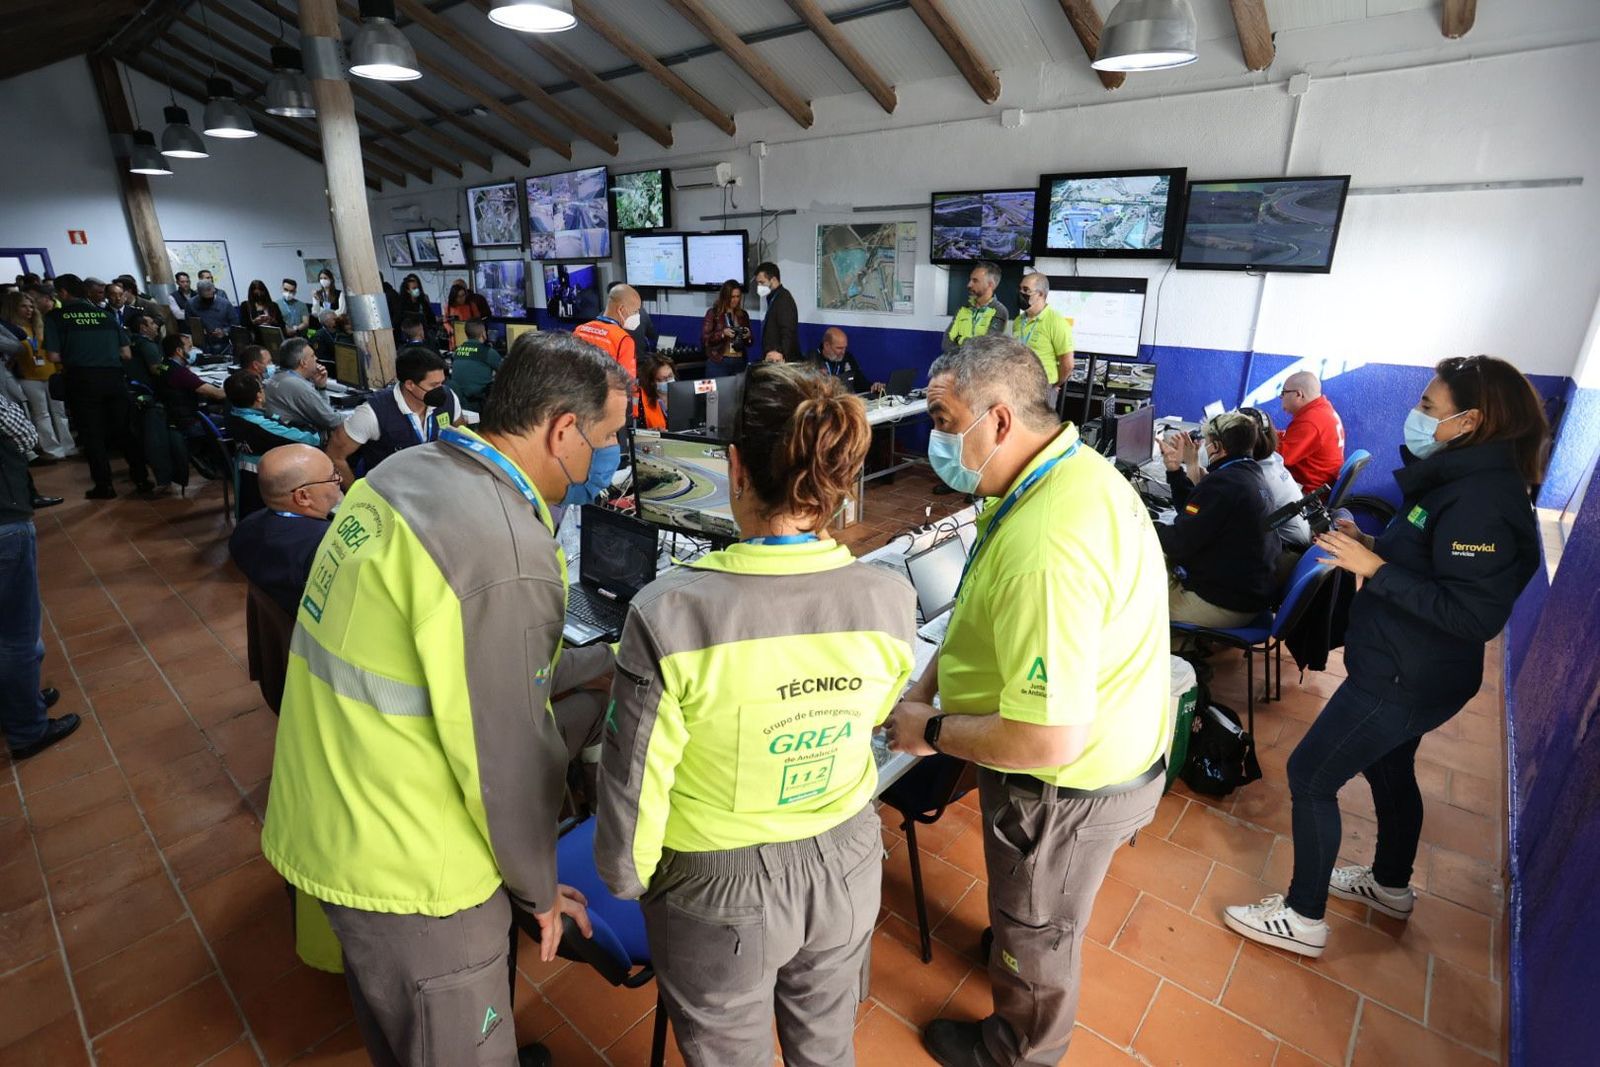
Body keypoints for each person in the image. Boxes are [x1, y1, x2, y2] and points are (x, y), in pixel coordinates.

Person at [261, 331, 631, 1067]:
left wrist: (599, 663)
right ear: (562, 430)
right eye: (608, 439)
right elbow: (509, 758)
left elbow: (449, 660)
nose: (609, 459)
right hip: (415, 868)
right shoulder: (505, 549)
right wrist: (541, 889)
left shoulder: (405, 474)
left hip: (335, 814)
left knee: (404, 1034)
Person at [596, 362, 916, 1067]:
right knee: (828, 1047)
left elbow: (634, 779)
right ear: (840, 479)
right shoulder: (889, 598)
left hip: (717, 887)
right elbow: (877, 712)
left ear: (734, 468)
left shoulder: (669, 610)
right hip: (850, 859)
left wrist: (626, 878)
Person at [887, 335, 1169, 1067]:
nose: (937, 438)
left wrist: (932, 727)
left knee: (1041, 934)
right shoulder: (1059, 473)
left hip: (1068, 783)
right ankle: (1023, 928)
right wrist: (927, 682)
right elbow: (980, 598)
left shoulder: (1049, 542)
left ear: (1001, 420)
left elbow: (1048, 741)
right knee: (1034, 912)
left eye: (946, 421)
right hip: (1115, 739)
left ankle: (1017, 1047)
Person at [1224, 355, 1546, 957]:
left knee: (1311, 775)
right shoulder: (1456, 477)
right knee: (1388, 768)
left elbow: (1474, 614)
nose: (1417, 415)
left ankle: (1303, 916)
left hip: (1407, 672)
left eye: (1430, 407)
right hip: (1404, 663)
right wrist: (1369, 545)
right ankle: (1390, 885)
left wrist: (1375, 569)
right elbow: (1430, 558)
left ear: (1470, 421)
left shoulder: (1482, 499)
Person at [0, 392, 78, 760]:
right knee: (16, 636)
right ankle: (27, 727)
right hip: (4, 524)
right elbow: (26, 435)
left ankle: (19, 701)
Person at [1157, 411, 1281, 628]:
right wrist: (1175, 472)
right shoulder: (1248, 473)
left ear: (1216, 448)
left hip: (1224, 604)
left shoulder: (1225, 484)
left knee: (1137, 600)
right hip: (1247, 595)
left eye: (1207, 442)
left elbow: (1179, 543)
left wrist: (1142, 523)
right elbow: (1198, 514)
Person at [42, 273, 148, 499]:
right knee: (125, 430)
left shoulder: (55, 317)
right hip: (113, 378)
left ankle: (104, 486)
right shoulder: (105, 315)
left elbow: (52, 355)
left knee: (92, 435)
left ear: (62, 293)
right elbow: (126, 353)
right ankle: (142, 479)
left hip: (81, 380)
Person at [228, 444, 343, 616]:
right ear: (303, 496)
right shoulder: (328, 546)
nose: (339, 480)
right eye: (332, 477)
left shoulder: (243, 529)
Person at [326, 346, 461, 487]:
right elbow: (335, 455)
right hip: (388, 493)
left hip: (432, 486)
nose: (441, 389)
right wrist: (356, 495)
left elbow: (460, 439)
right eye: (434, 385)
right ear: (410, 384)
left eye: (442, 383)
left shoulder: (449, 398)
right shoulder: (371, 413)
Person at [2, 290, 73, 460]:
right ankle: (52, 449)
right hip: (28, 377)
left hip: (51, 373)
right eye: (23, 306)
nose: (29, 310)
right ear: (13, 308)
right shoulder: (10, 330)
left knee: (60, 412)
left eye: (31, 306)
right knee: (41, 414)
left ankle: (68, 446)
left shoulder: (42, 325)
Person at [148, 323, 227, 434]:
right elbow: (218, 394)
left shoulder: (164, 365)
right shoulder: (180, 373)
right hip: (189, 423)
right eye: (190, 348)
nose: (193, 351)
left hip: (176, 417)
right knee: (235, 422)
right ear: (179, 351)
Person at [224, 370, 322, 459]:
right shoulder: (260, 425)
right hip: (268, 473)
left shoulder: (232, 413)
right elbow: (312, 440)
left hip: (246, 472)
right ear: (258, 396)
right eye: (262, 387)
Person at [1277, 370, 1346, 492]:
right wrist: (1271, 434)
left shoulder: (1311, 421)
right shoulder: (1322, 410)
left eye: (1284, 392)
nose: (1281, 397)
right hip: (1317, 485)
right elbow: (1294, 437)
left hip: (1307, 495)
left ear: (1299, 394)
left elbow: (1280, 457)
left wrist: (1253, 439)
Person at [264, 338, 342, 437]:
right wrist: (356, 417)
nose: (316, 358)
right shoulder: (299, 387)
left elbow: (323, 413)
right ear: (303, 363)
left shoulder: (277, 376)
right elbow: (332, 421)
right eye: (312, 356)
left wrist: (321, 388)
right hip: (302, 441)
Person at [1012, 271, 1074, 391]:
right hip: (1018, 386)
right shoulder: (1018, 321)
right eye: (1020, 289)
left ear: (1040, 294)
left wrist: (1054, 385)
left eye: (1026, 290)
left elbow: (1068, 364)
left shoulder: (1056, 321)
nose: (1021, 293)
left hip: (1042, 388)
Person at [572, 283, 640, 382]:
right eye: (635, 311)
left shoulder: (580, 330)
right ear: (621, 309)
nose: (637, 315)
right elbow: (627, 382)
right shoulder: (623, 340)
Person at [942, 261, 1010, 356]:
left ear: (990, 285)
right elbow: (946, 342)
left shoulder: (999, 311)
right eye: (970, 280)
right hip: (957, 364)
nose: (969, 285)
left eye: (975, 281)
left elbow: (987, 346)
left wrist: (961, 341)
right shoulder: (962, 309)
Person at [700, 278, 751, 378]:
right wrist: (722, 333)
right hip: (719, 361)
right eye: (732, 297)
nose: (735, 300)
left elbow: (750, 342)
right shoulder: (713, 313)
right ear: (725, 297)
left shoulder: (743, 315)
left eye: (738, 296)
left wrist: (748, 336)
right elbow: (705, 339)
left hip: (739, 361)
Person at [753, 262, 800, 364]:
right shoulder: (774, 298)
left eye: (762, 282)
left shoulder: (784, 299)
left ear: (773, 280)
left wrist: (781, 354)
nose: (759, 286)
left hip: (779, 361)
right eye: (758, 283)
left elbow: (787, 331)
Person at [807, 326, 876, 395]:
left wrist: (873, 386)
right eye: (839, 348)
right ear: (827, 345)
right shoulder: (812, 360)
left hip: (846, 401)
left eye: (845, 348)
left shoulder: (848, 357)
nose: (843, 352)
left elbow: (861, 383)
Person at [448, 320, 501, 408]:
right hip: (477, 404)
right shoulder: (488, 352)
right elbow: (506, 372)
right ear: (483, 334)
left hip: (459, 403)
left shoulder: (457, 351)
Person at [186, 279, 236, 354]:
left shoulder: (225, 304)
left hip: (223, 345)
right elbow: (188, 324)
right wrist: (198, 331)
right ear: (198, 293)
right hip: (201, 346)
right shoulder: (191, 304)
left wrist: (224, 332)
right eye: (204, 299)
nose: (208, 301)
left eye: (210, 298)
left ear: (214, 291)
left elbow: (235, 324)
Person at [635, 352, 673, 431]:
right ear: (652, 382)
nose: (668, 381)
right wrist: (652, 432)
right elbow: (636, 430)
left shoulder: (682, 395)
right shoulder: (640, 400)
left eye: (670, 376)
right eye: (663, 379)